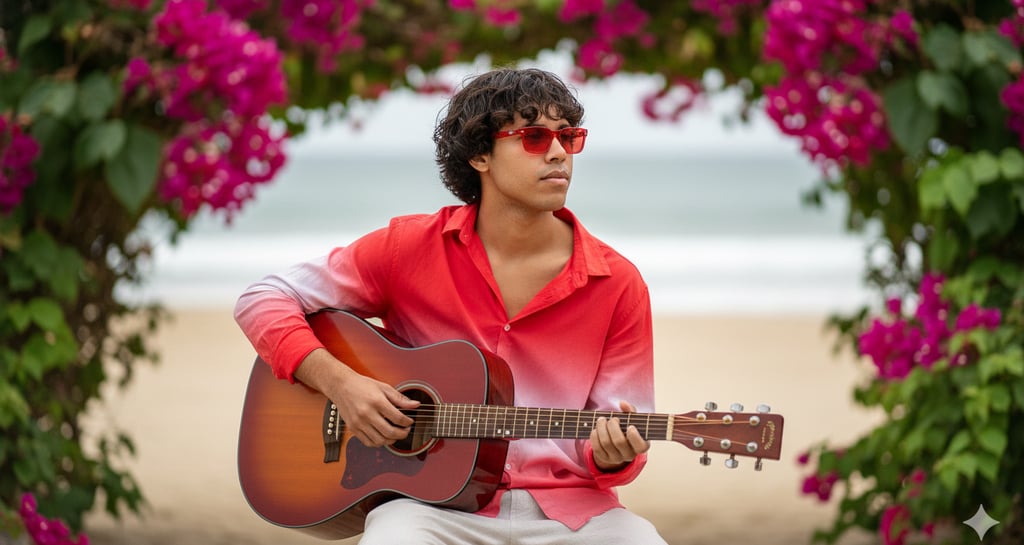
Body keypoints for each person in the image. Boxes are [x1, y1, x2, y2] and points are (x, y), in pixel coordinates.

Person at [234, 67, 667, 544]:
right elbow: (262, 299)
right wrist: (342, 384)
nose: (559, 152)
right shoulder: (408, 249)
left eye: (569, 136)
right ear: (480, 154)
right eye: (534, 137)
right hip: (429, 508)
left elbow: (622, 438)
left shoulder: (618, 283)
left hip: (574, 514)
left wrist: (614, 454)